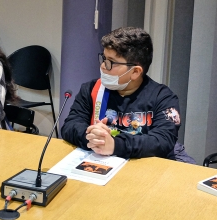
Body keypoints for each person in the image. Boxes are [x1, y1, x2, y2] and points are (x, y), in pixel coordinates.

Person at [62, 27, 186, 160]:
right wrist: (92, 137)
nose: (103, 66)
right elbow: (70, 126)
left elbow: (163, 141)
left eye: (110, 62)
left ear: (135, 72)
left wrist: (115, 145)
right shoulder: (92, 89)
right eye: (103, 58)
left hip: (144, 164)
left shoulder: (163, 97)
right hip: (101, 161)